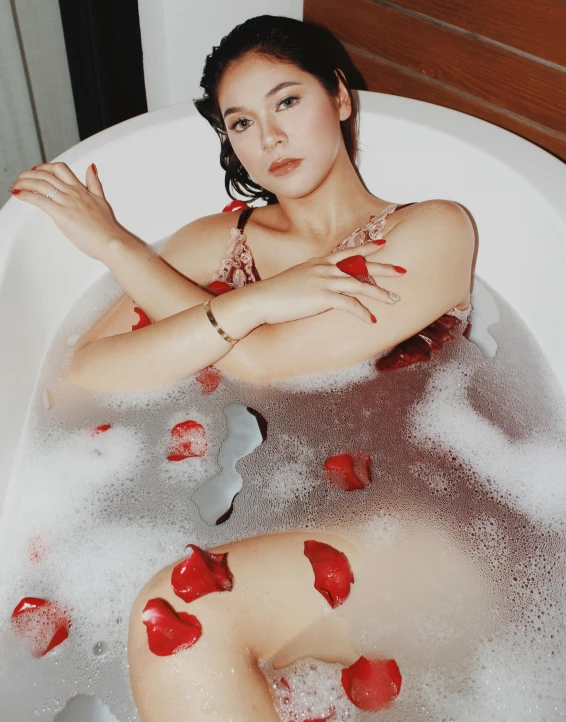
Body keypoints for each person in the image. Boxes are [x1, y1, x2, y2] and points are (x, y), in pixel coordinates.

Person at [9, 15, 476, 721]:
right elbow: (82, 379)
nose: (271, 137)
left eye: (288, 101)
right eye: (242, 123)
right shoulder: (219, 245)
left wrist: (125, 251)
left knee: (180, 620)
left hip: (430, 541)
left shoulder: (432, 229)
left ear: (340, 98)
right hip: (289, 535)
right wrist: (251, 295)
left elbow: (265, 361)